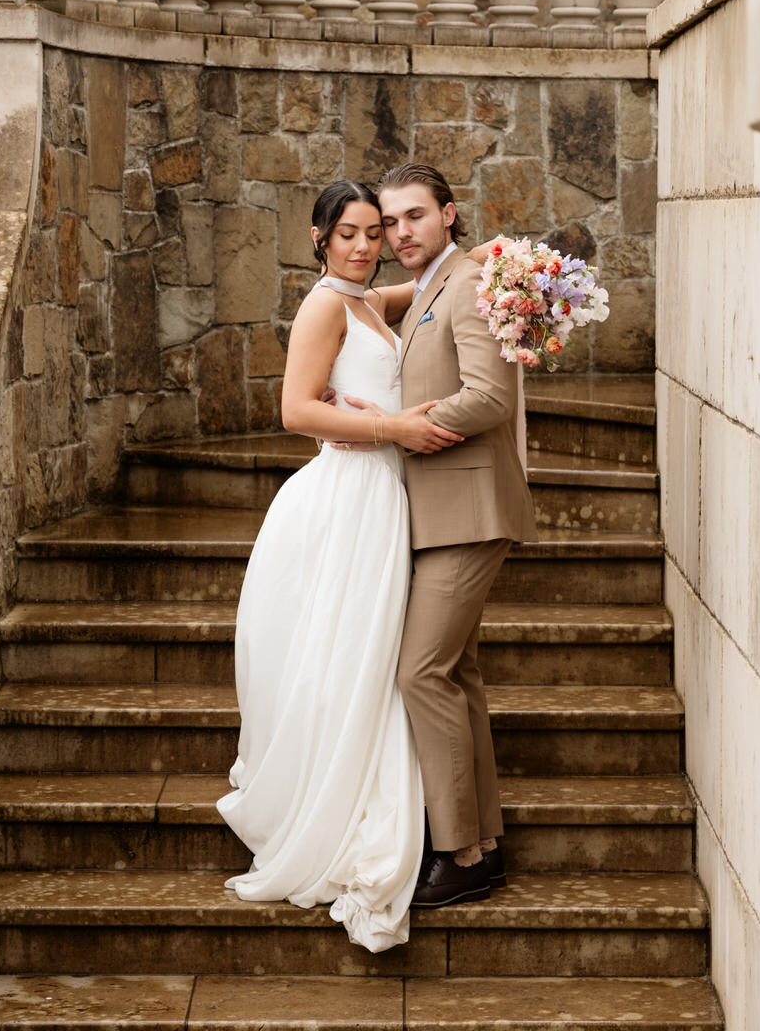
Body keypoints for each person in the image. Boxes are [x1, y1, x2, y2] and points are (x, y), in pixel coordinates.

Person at [217, 180, 489, 952]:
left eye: (375, 231)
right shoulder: (326, 306)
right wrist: (393, 429)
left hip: (387, 501)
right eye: (349, 234)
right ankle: (331, 804)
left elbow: (442, 278)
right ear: (318, 238)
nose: (367, 246)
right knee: (345, 659)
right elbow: (296, 410)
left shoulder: (376, 301)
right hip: (345, 497)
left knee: (378, 661)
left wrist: (507, 269)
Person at [372, 163, 538, 910]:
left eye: (415, 216)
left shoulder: (467, 283)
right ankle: (486, 847)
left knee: (421, 673)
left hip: (469, 511)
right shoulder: (441, 281)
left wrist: (408, 432)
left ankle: (458, 851)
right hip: (439, 514)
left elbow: (491, 397)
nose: (401, 232)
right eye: (390, 221)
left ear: (448, 215)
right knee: (458, 674)